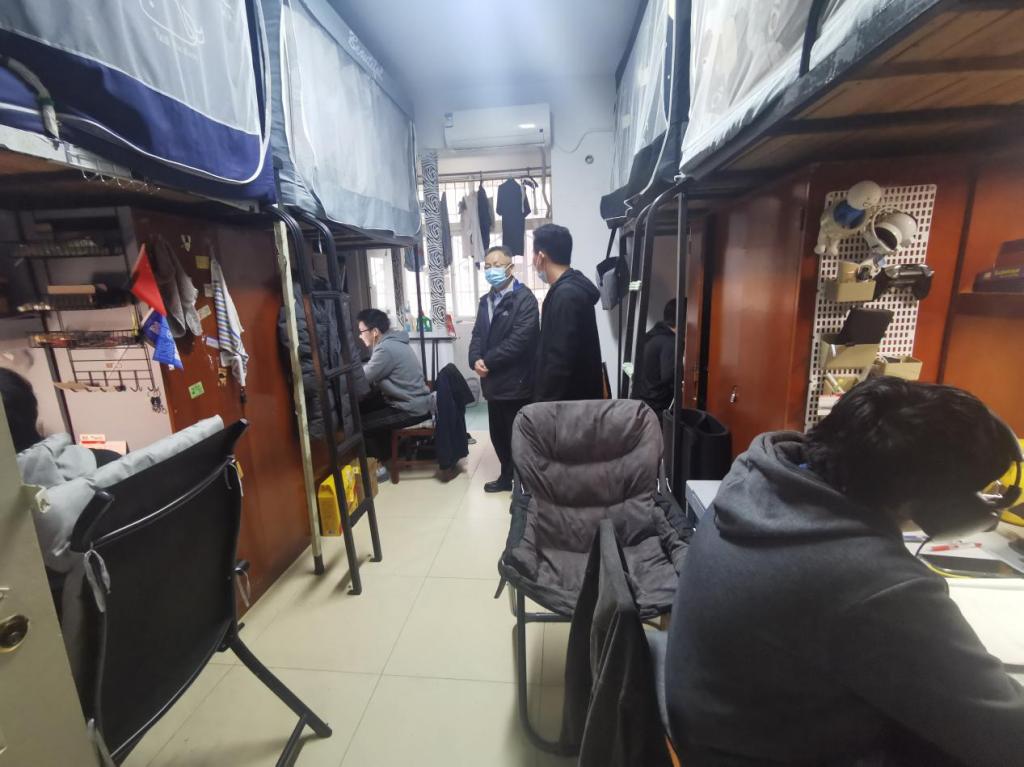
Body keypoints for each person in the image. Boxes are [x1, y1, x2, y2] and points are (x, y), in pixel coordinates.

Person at [665, 377, 1024, 767]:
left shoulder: (756, 477)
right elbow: (1007, 734)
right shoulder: (876, 584)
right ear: (940, 504)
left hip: (721, 735)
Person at [468, 245, 540, 492]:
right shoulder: (485, 301)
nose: (491, 270)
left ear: (511, 267)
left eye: (497, 265)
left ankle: (525, 484)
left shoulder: (524, 299)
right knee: (498, 434)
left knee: (518, 436)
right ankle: (507, 477)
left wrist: (487, 361)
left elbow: (520, 340)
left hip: (517, 382)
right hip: (493, 384)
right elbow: (477, 334)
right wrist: (474, 359)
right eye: (487, 266)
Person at [531, 223, 603, 401]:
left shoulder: (566, 295)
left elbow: (559, 359)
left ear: (541, 257)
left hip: (568, 405)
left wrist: (543, 404)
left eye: (533, 254)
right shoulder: (568, 289)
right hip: (573, 400)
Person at [356, 309, 431, 477]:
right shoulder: (395, 342)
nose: (360, 336)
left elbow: (363, 378)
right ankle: (386, 455)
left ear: (374, 332)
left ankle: (378, 469)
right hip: (417, 402)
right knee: (368, 408)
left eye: (362, 331)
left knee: (361, 425)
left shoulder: (385, 349)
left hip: (410, 408)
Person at [632, 298, 682, 415]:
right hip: (656, 407)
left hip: (640, 402)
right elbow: (669, 377)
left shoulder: (651, 334)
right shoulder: (670, 341)